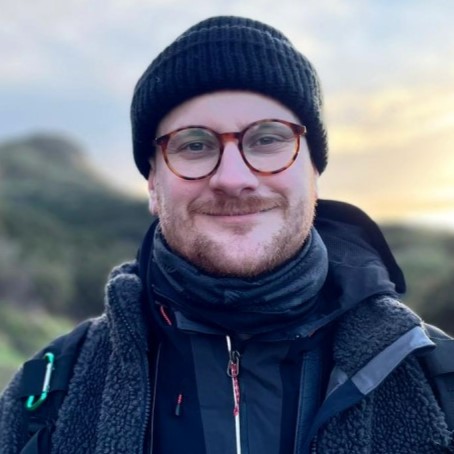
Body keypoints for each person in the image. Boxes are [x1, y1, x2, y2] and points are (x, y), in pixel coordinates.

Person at [0, 15, 453, 454]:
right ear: (153, 185)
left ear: (313, 170)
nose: (233, 178)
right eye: (195, 145)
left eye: (268, 139)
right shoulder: (42, 400)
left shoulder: (437, 381)